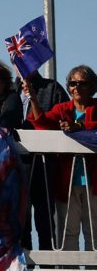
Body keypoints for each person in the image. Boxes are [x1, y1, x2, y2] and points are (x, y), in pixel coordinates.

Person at [25, 65, 97, 250]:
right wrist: (33, 97)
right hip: (67, 180)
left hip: (94, 182)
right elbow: (42, 123)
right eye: (73, 83)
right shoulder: (62, 108)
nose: (76, 88)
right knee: (68, 233)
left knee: (94, 232)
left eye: (83, 83)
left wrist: (79, 126)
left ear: (92, 86)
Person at [22, 70, 68, 251]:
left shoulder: (52, 87)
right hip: (18, 161)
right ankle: (26, 264)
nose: (20, 62)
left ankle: (48, 265)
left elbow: (65, 118)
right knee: (21, 215)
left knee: (45, 216)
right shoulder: (9, 88)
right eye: (15, 58)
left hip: (44, 161)